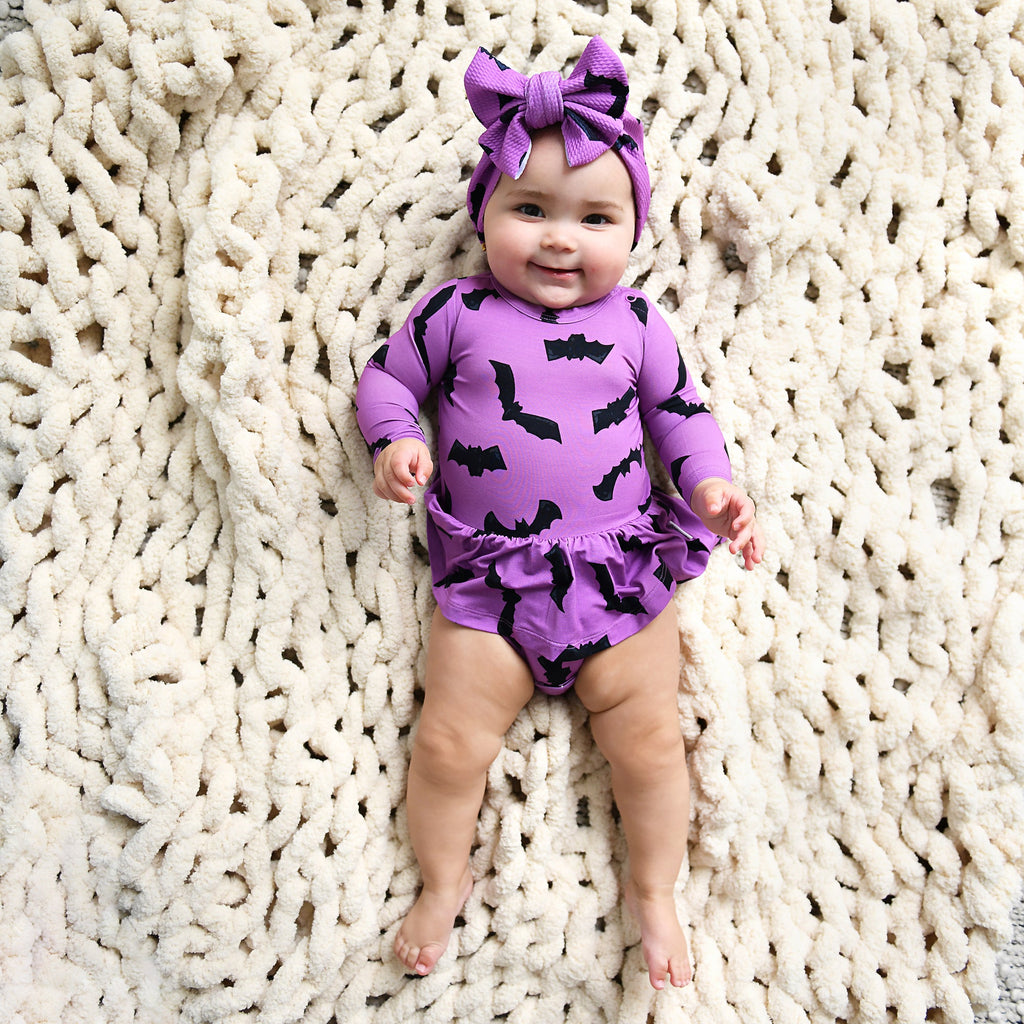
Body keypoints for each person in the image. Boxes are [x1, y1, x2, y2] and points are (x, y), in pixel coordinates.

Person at [355, 37, 764, 991]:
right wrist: (393, 439)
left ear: (633, 230)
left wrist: (712, 488)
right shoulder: (454, 313)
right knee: (448, 743)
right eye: (529, 208)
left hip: (619, 575)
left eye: (595, 218)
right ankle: (443, 881)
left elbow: (682, 416)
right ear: (484, 212)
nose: (558, 239)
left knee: (650, 742)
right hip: (490, 584)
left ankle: (655, 891)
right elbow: (386, 380)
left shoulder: (637, 324)